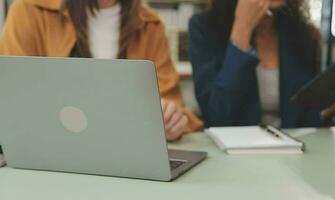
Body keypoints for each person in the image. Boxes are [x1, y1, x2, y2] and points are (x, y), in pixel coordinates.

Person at [0, 0, 203, 141]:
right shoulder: (28, 11)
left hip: (125, 158)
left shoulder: (150, 24)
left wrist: (172, 121)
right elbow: (12, 100)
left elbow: (173, 106)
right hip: (48, 155)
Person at [189, 0, 335, 128]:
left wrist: (332, 104)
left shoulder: (305, 34)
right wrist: (242, 28)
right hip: (233, 158)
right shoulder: (203, 27)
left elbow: (304, 121)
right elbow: (217, 117)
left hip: (290, 157)